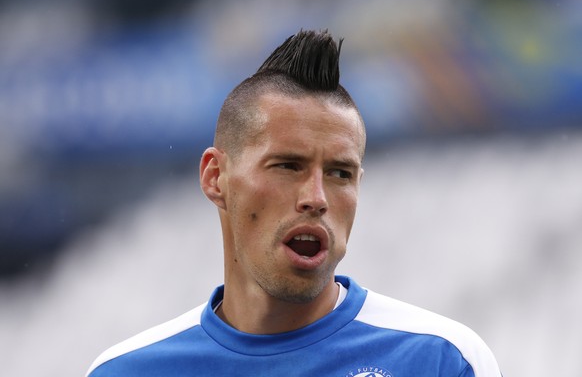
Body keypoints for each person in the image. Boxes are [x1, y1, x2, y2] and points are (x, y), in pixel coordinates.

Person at [86, 29, 502, 377]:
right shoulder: (126, 371)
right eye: (288, 166)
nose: (316, 199)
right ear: (216, 177)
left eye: (340, 173)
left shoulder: (440, 360)